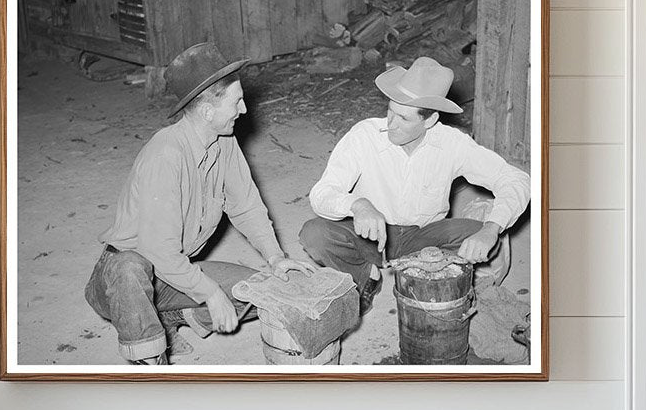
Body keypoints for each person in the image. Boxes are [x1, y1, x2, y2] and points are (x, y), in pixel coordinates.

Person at [85, 42, 315, 364]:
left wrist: (275, 258)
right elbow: (158, 251)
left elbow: (246, 206)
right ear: (208, 112)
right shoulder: (166, 154)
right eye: (237, 101)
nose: (245, 110)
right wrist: (209, 292)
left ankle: (170, 318)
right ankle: (149, 360)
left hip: (172, 274)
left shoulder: (225, 142)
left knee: (261, 291)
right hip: (121, 282)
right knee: (131, 267)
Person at [299, 55, 531, 313]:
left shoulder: (452, 143)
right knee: (315, 234)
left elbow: (516, 180)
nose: (391, 124)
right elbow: (322, 194)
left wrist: (490, 229)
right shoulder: (364, 136)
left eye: (404, 119)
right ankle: (365, 278)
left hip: (424, 239)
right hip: (371, 235)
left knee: (486, 238)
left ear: (430, 120)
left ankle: (424, 278)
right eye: (390, 112)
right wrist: (358, 204)